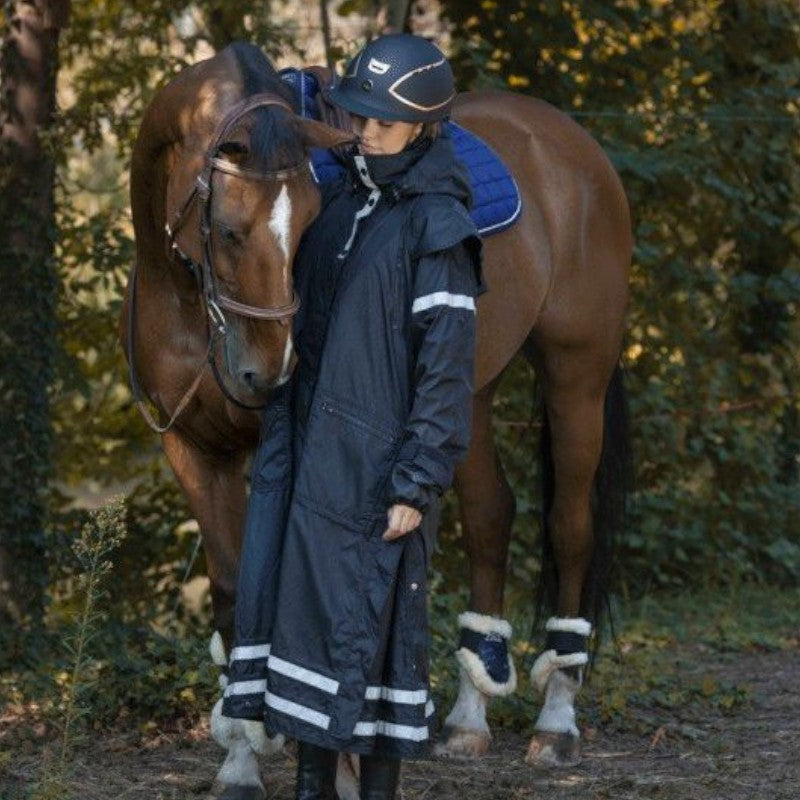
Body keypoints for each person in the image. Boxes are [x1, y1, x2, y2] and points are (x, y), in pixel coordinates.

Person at [222, 33, 483, 799]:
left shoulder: (437, 225)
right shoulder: (336, 203)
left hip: (379, 472)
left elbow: (447, 369)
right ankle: (310, 789)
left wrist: (418, 478)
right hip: (308, 455)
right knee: (302, 636)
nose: (363, 132)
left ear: (424, 127)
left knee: (370, 643)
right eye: (358, 116)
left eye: (382, 123)